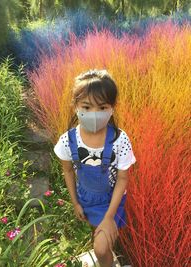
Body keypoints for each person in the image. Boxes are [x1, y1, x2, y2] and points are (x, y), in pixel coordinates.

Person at [54, 69, 136, 267]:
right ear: (75, 106)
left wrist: (109, 217)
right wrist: (75, 203)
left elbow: (123, 179)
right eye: (87, 107)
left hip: (111, 201)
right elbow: (68, 171)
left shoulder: (118, 139)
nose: (94, 114)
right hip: (86, 197)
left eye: (102, 107)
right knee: (99, 238)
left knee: (100, 248)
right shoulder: (68, 141)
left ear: (112, 108)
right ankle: (107, 254)